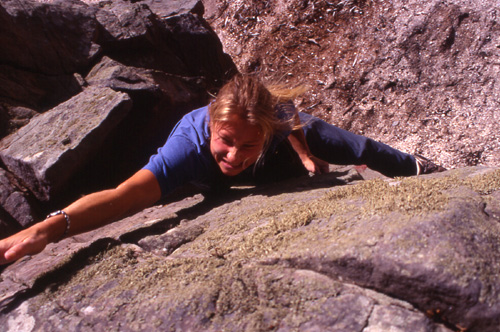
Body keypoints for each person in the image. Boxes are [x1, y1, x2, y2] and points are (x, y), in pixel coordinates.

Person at [0, 74, 444, 265]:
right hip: (210, 177)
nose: (233, 153)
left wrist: (306, 156)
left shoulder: (270, 119)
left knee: (357, 145)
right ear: (212, 123)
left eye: (245, 144)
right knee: (223, 164)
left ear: (263, 131)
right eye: (225, 140)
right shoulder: (188, 146)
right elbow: (127, 195)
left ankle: (421, 167)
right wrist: (51, 227)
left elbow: (288, 114)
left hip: (275, 158)